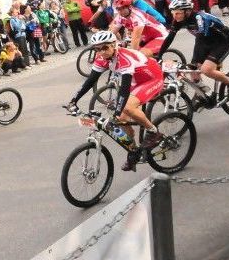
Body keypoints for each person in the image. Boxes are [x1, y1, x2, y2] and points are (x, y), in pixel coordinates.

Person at [66, 31, 164, 171]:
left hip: (151, 78)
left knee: (127, 108)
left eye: (105, 48)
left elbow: (124, 89)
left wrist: (116, 112)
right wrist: (73, 100)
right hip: (135, 82)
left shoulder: (124, 57)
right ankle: (133, 151)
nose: (101, 52)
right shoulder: (101, 58)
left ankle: (154, 132)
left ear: (114, 45)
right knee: (122, 121)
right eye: (97, 49)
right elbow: (90, 81)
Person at [158, 0, 229, 108]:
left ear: (188, 11)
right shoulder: (178, 19)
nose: (175, 16)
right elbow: (170, 38)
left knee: (206, 70)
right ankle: (204, 94)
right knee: (193, 70)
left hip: (223, 41)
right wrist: (159, 55)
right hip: (206, 41)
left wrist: (198, 62)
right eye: (173, 13)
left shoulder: (200, 18)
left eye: (178, 13)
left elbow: (200, 39)